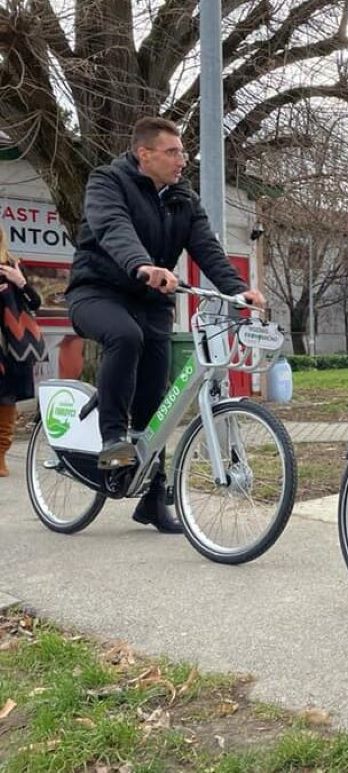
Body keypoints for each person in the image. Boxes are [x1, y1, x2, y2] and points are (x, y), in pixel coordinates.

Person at [65, 117, 265, 533]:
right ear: (145, 154)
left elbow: (207, 248)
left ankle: (153, 499)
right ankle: (112, 439)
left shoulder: (182, 198)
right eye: (173, 152)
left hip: (153, 301)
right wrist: (141, 264)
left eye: (183, 152)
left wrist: (238, 289)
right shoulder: (107, 181)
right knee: (124, 336)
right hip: (97, 292)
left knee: (158, 400)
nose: (182, 160)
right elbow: (112, 227)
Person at [0, 230, 46, 476]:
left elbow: (36, 303)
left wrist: (20, 282)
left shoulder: (11, 265)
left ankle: (0, 456)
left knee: (5, 400)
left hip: (10, 345)